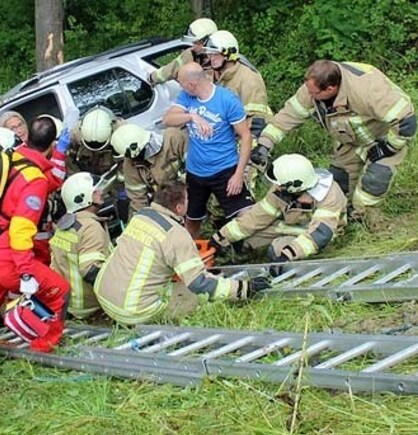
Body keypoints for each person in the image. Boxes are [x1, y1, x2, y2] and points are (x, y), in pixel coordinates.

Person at [0, 117, 70, 380]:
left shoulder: (6, 162)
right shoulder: (33, 179)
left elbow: (50, 180)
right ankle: (44, 346)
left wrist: (58, 153)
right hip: (6, 256)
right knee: (60, 291)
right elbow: (21, 229)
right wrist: (25, 273)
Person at [254, 60, 417, 227]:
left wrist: (389, 146)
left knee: (375, 180)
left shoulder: (367, 89)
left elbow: (406, 120)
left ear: (330, 89)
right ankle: (341, 220)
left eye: (314, 94)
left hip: (383, 136)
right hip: (349, 140)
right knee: (338, 185)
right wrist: (264, 144)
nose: (310, 97)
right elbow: (288, 116)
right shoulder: (313, 87)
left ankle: (367, 218)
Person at [94, 181, 270, 325]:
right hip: (132, 310)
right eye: (187, 200)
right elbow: (200, 284)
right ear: (179, 208)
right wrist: (242, 289)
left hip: (103, 295)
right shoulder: (176, 234)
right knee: (197, 297)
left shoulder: (140, 216)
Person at [210, 154, 347, 273]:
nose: (277, 187)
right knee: (244, 240)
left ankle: (285, 269)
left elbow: (320, 235)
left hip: (319, 237)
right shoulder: (283, 189)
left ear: (295, 186)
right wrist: (221, 237)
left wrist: (288, 254)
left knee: (277, 250)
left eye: (280, 184)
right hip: (291, 227)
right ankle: (239, 262)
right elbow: (256, 217)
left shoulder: (329, 195)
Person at [163, 62, 255, 238]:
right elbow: (167, 119)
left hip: (225, 169)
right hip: (195, 172)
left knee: (245, 215)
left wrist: (238, 174)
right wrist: (191, 116)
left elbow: (246, 136)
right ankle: (190, 254)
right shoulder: (186, 97)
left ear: (192, 84)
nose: (181, 88)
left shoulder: (227, 100)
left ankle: (243, 251)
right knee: (192, 218)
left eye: (181, 84)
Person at [50, 172, 113, 319]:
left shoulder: (65, 225)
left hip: (68, 304)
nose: (101, 192)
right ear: (82, 198)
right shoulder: (90, 228)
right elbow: (91, 271)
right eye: (95, 191)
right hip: (88, 308)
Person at [203, 30, 272, 164]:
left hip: (247, 132)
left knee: (244, 172)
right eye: (209, 53)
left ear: (228, 54)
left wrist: (248, 151)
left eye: (214, 53)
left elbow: (257, 121)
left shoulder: (249, 79)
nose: (210, 57)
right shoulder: (211, 74)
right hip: (220, 132)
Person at [110, 123, 187, 213]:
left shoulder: (173, 138)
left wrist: (180, 191)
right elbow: (138, 200)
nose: (134, 160)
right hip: (168, 207)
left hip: (194, 190)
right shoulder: (130, 166)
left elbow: (198, 167)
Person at [149, 18, 217, 85]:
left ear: (208, 42)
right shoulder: (190, 55)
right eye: (193, 43)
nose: (194, 47)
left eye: (197, 43)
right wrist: (152, 78)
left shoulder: (220, 60)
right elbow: (170, 70)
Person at [66, 106, 125, 177]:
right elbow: (69, 163)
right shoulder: (75, 135)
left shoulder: (122, 133)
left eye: (99, 145)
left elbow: (129, 163)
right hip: (88, 178)